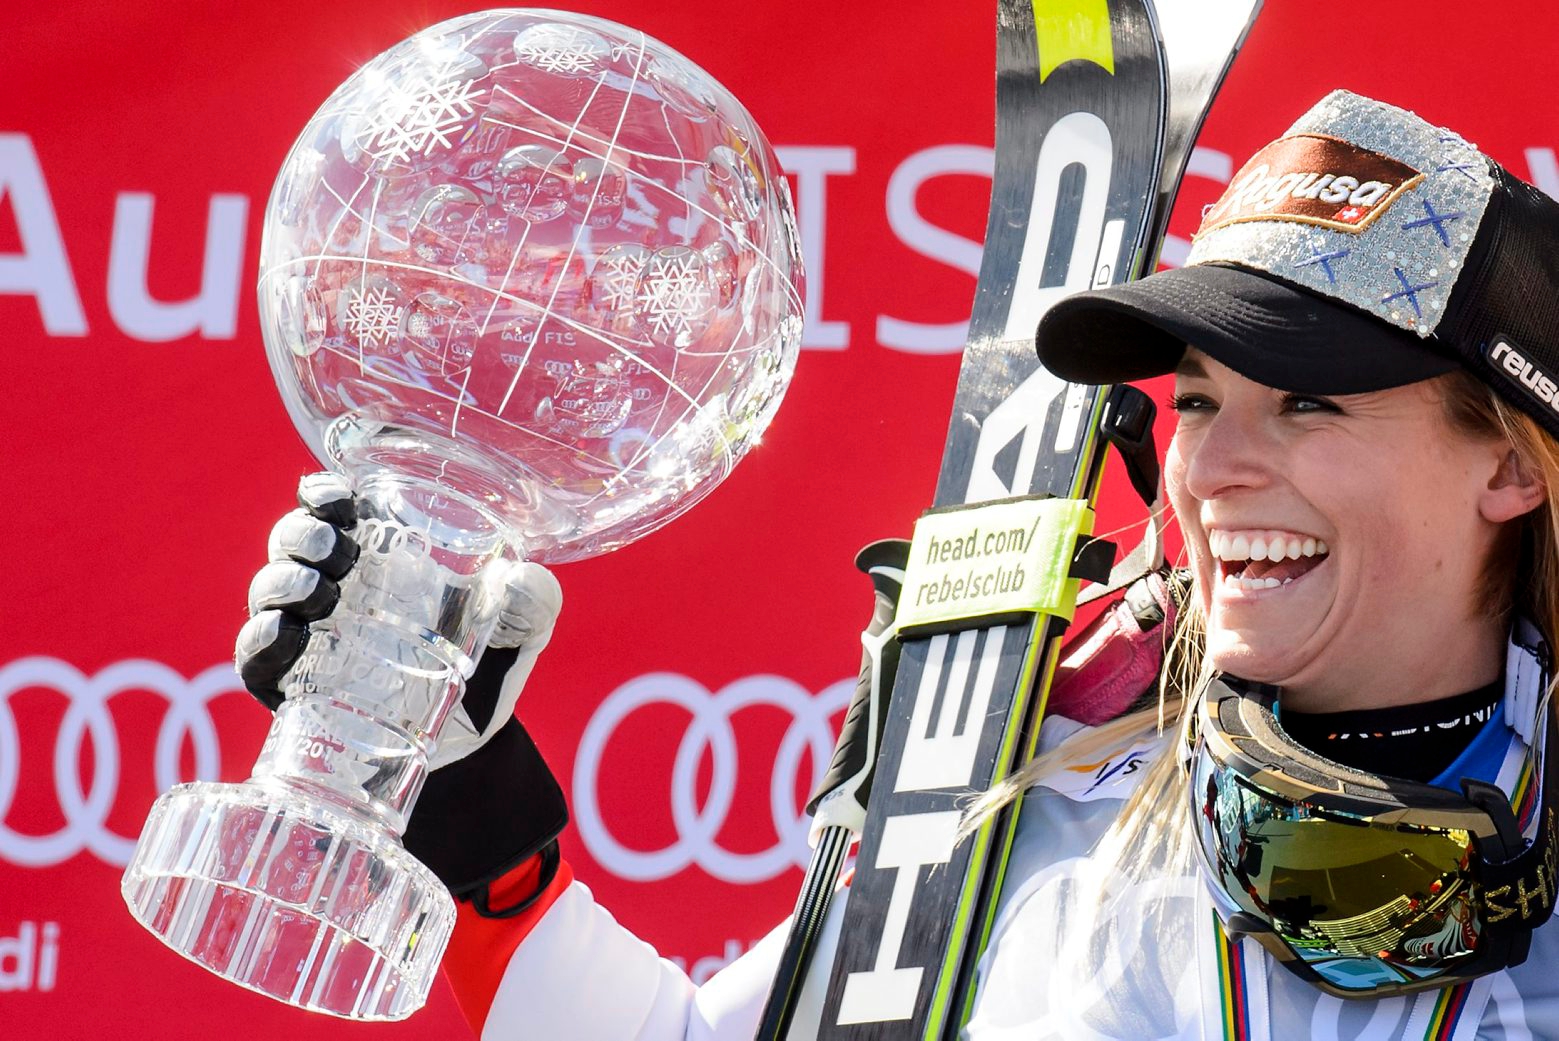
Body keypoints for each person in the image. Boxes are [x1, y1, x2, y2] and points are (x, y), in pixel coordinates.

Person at [239, 90, 1559, 1039]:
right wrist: (477, 831)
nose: (1214, 469)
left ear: (1508, 463)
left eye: (1311, 404)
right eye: (1203, 400)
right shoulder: (1035, 784)